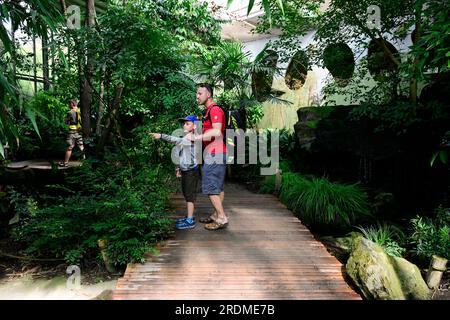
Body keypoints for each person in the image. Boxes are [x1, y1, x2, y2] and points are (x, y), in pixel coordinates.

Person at [151, 115, 200, 230]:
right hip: (185, 170)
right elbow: (180, 153)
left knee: (190, 196)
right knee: (186, 194)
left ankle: (190, 220)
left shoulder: (193, 137)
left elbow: (176, 141)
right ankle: (189, 216)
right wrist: (178, 168)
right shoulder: (186, 136)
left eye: (188, 123)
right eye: (184, 123)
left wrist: (161, 136)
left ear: (194, 126)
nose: (184, 125)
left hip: (191, 171)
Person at [194, 84, 228, 230]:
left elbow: (217, 132)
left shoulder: (215, 110)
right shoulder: (208, 112)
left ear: (208, 95)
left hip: (215, 153)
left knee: (210, 186)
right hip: (216, 153)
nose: (197, 96)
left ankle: (221, 218)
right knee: (218, 187)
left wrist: (198, 137)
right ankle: (215, 215)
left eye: (200, 93)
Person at [59, 99, 84, 167]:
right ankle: (86, 163)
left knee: (69, 148)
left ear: (72, 104)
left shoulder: (70, 112)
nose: (68, 105)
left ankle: (66, 163)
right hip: (80, 131)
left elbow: (66, 122)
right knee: (81, 147)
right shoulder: (81, 111)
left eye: (69, 104)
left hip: (72, 132)